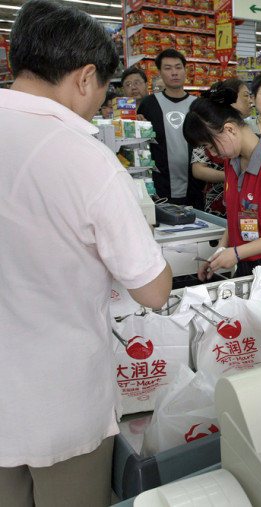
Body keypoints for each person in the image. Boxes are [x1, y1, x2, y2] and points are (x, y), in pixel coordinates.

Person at [0, 2, 172, 505]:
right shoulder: (85, 158)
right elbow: (154, 290)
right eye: (103, 93)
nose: (100, 105)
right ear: (86, 77)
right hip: (59, 400)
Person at [184, 86, 261, 278]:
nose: (213, 154)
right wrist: (220, 252)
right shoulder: (232, 162)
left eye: (211, 146)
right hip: (247, 262)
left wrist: (237, 253)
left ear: (229, 129)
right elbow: (235, 217)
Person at [138, 49, 203, 209]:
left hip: (195, 188)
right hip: (159, 187)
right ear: (159, 72)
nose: (174, 73)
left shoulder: (198, 105)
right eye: (168, 68)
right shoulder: (149, 104)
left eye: (178, 67)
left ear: (185, 70)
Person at [190, 78, 251, 217]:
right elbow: (198, 169)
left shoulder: (250, 132)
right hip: (219, 204)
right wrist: (231, 177)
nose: (250, 101)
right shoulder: (211, 129)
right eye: (245, 95)